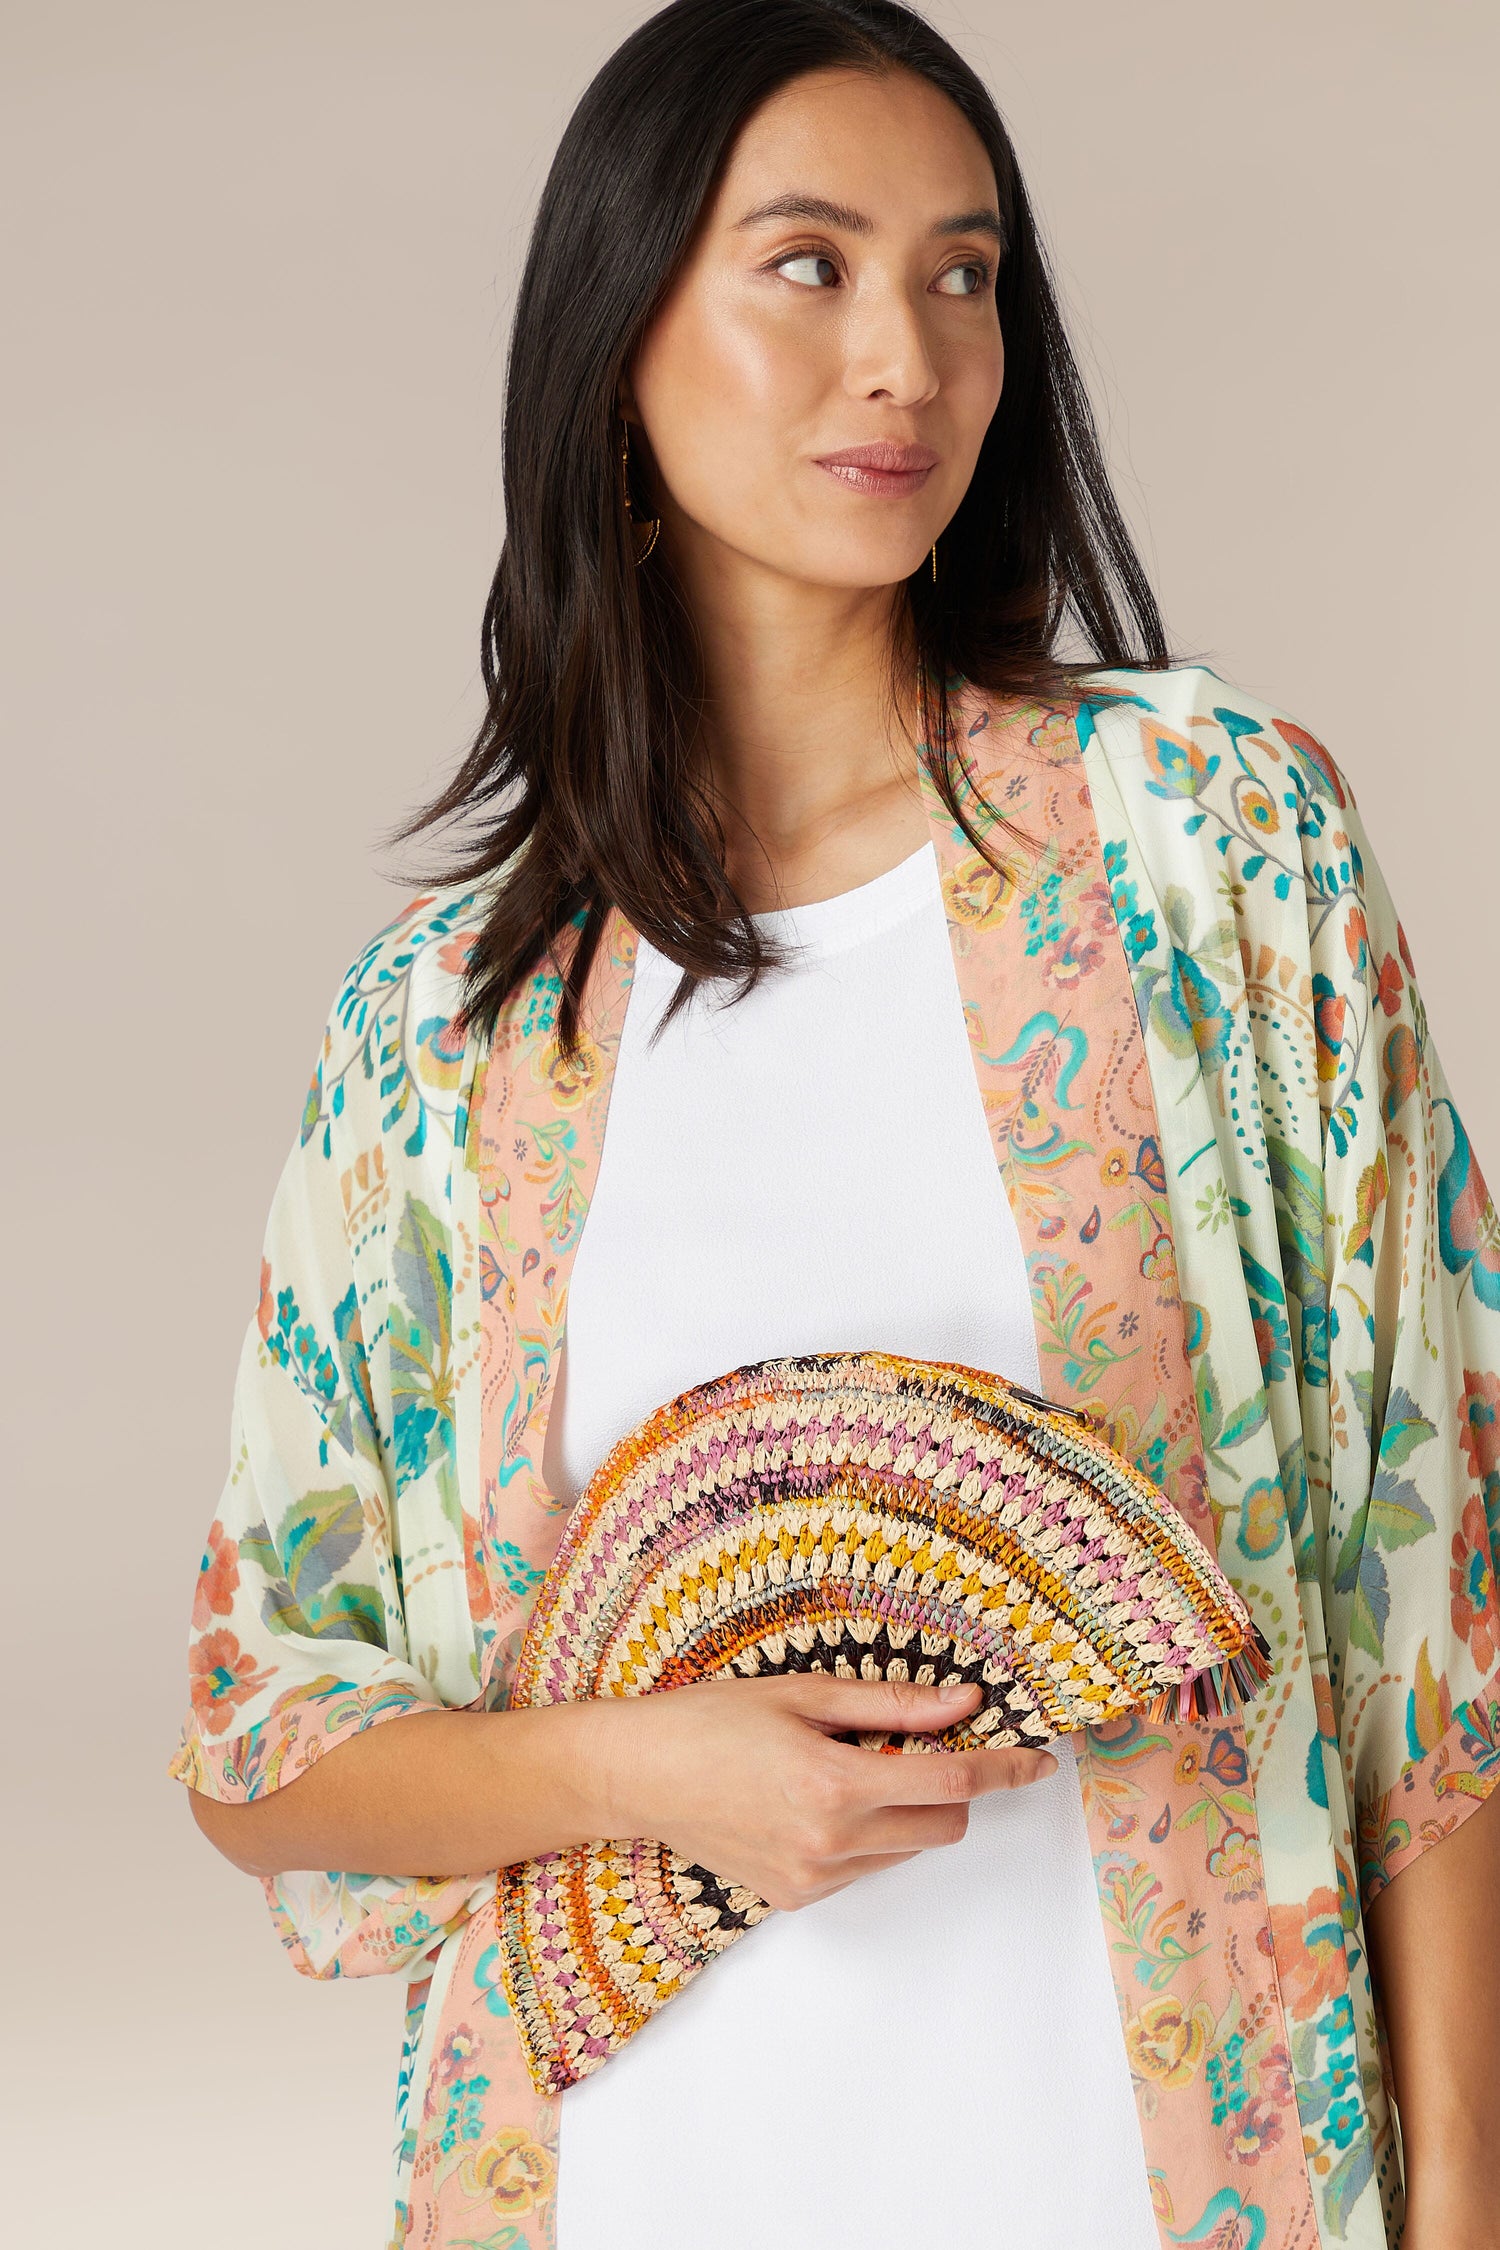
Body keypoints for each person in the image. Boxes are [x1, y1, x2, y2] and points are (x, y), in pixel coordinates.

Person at [166, 4, 1500, 2247]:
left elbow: (1437, 1587)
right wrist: (642, 1768)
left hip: (1162, 2167)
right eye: (808, 264)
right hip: (633, 2173)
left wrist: (1459, 2200)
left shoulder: (1210, 848)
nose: (906, 357)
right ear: (618, 339)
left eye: (964, 277)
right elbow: (260, 1744)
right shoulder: (437, 1041)